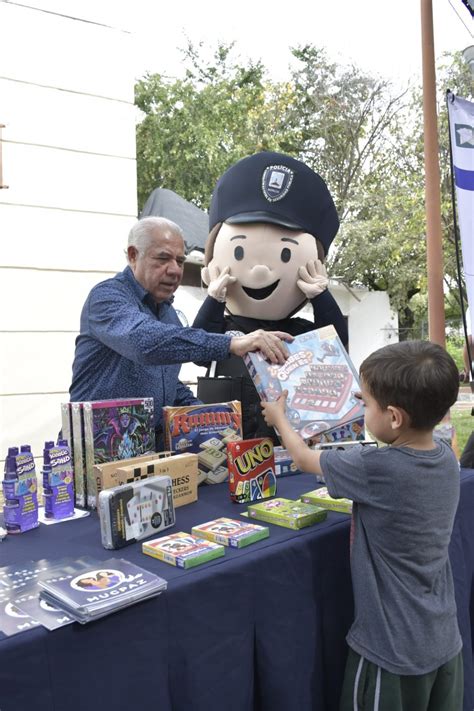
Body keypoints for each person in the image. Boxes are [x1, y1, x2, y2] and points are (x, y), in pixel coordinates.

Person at [261, 340, 463, 710]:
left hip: (389, 652)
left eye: (365, 403)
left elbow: (305, 459)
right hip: (444, 644)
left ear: (395, 417)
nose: (359, 407)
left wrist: (280, 420)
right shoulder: (448, 460)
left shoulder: (375, 468)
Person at [69, 216, 292, 447]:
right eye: (163, 258)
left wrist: (211, 418)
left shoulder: (168, 314)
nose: (175, 270)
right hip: (97, 454)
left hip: (147, 455)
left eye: (180, 260)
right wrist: (231, 344)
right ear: (133, 255)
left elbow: (166, 383)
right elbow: (144, 343)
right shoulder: (106, 298)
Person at [193, 151, 348, 442]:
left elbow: (337, 347)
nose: (262, 270)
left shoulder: (300, 334)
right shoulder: (222, 333)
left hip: (287, 451)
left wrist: (322, 297)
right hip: (226, 454)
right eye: (238, 251)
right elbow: (196, 347)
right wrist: (214, 300)